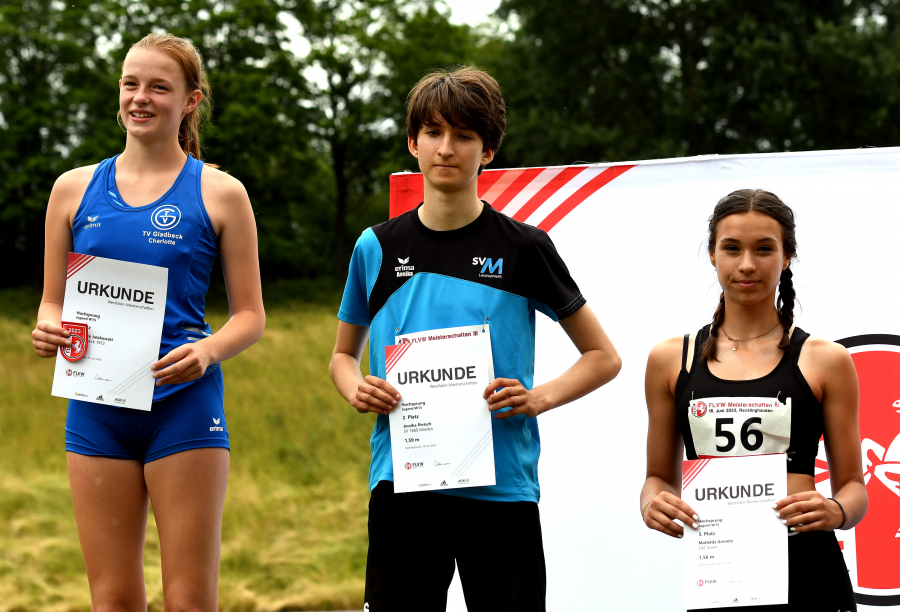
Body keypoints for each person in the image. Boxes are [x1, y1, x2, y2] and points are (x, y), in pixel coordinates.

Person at [329, 66, 622, 612]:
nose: (447, 148)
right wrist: (355, 388)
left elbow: (603, 357)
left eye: (464, 135)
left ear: (488, 150)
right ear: (412, 143)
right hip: (403, 487)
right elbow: (343, 356)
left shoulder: (525, 248)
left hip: (501, 490)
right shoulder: (375, 247)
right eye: (433, 133)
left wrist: (537, 398)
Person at [31, 33, 265, 610]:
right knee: (111, 601)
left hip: (182, 405)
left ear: (190, 100)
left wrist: (208, 351)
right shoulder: (71, 189)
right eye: (130, 84)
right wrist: (48, 327)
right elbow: (51, 302)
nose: (140, 97)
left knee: (189, 602)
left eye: (159, 87)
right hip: (97, 408)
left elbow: (251, 316)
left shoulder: (221, 192)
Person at [640, 189, 867, 611]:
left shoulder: (826, 359)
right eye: (732, 248)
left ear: (786, 257)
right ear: (712, 254)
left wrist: (836, 510)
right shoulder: (670, 359)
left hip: (808, 565)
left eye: (764, 249)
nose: (747, 264)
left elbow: (854, 486)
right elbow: (657, 477)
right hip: (720, 569)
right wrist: (651, 503)